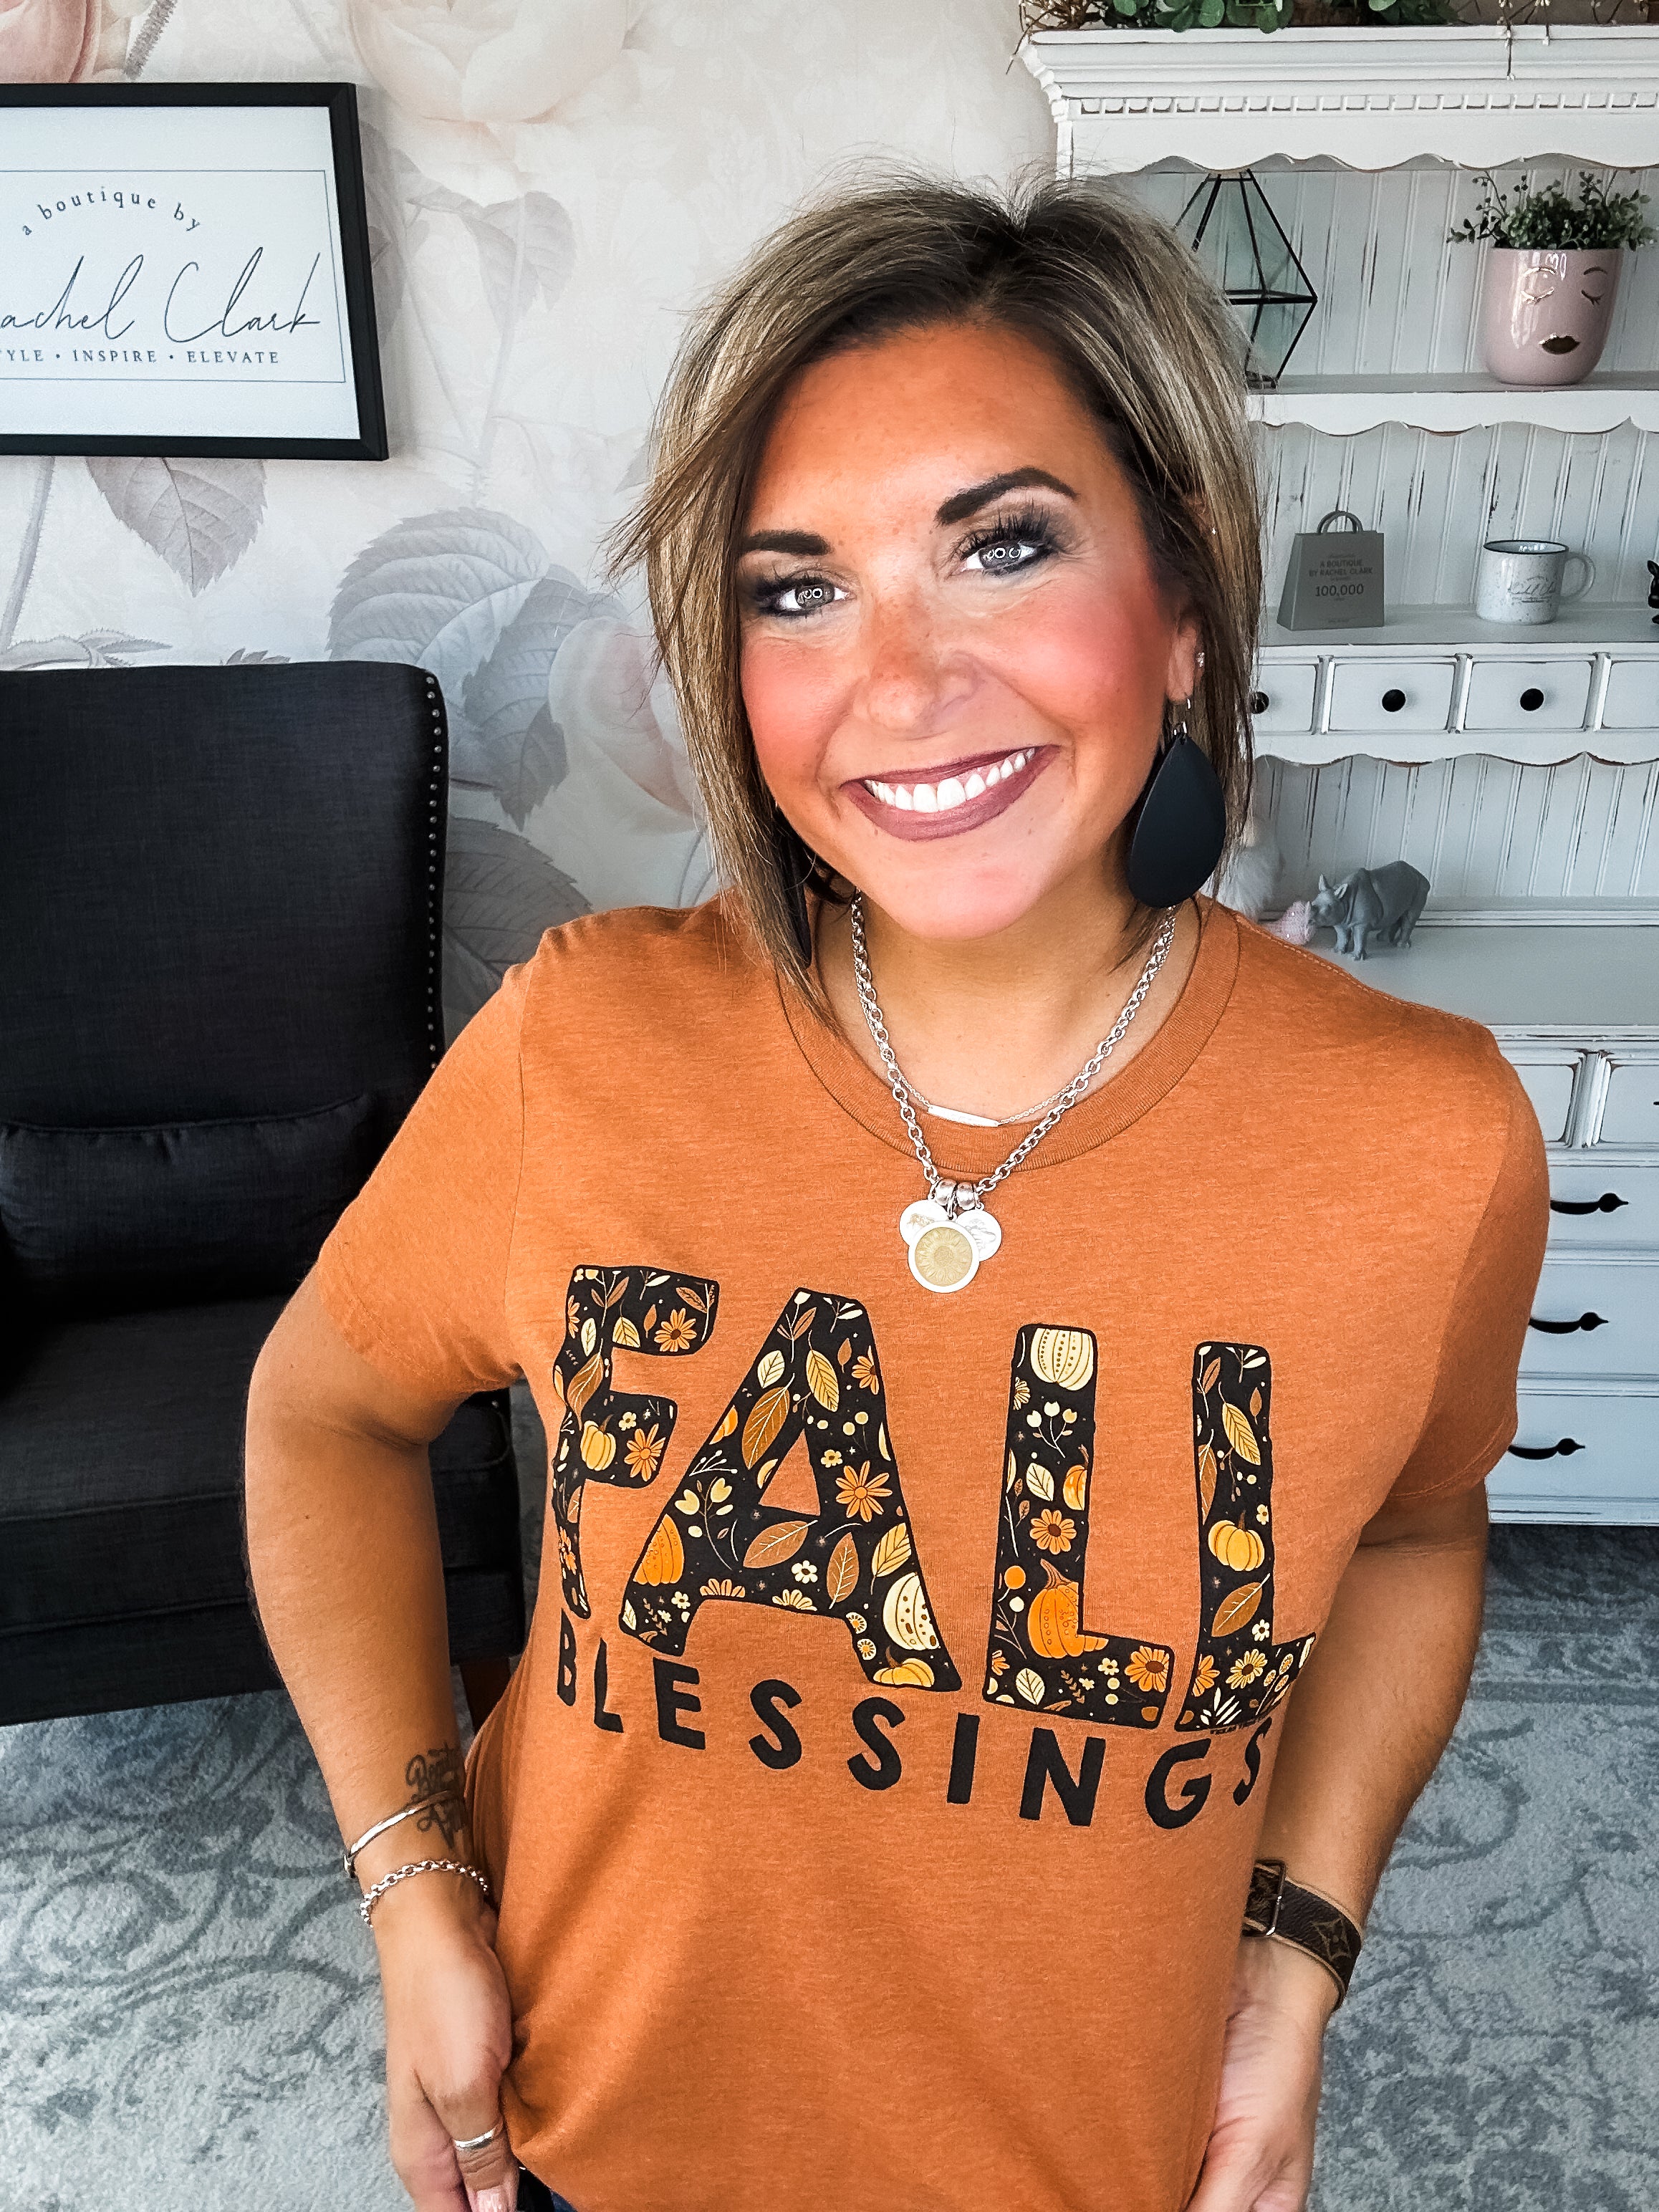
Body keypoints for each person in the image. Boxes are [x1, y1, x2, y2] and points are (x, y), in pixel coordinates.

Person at [244, 175, 1550, 2212]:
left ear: (1185, 596)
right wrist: (411, 1890)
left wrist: (1291, 1967)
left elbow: (1409, 1534)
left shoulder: (1424, 1139)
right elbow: (319, 1407)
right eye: (795, 588)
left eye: (1001, 547)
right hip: (588, 2140)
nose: (899, 679)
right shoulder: (584, 1047)